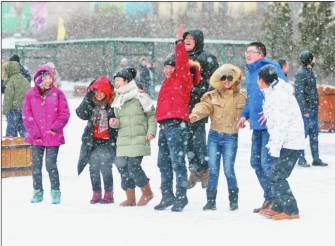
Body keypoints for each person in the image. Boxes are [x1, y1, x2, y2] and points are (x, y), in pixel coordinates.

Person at [237, 42, 289, 213]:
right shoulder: (251, 72)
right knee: (256, 163)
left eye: (252, 52)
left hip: (270, 125)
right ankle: (269, 198)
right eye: (247, 51)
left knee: (267, 163)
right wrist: (245, 115)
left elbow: (285, 91)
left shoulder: (270, 68)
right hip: (257, 126)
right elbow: (252, 98)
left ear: (261, 54)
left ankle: (277, 200)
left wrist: (271, 112)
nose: (248, 54)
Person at [154, 24, 201, 212]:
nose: (167, 70)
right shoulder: (166, 83)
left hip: (177, 126)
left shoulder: (183, 78)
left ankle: (181, 196)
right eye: (165, 67)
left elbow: (182, 63)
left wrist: (180, 42)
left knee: (177, 162)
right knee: (162, 163)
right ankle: (167, 195)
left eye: (170, 67)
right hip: (164, 127)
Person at [189, 64, 247, 211]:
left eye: (229, 78)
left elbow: (250, 113)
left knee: (228, 170)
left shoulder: (242, 98)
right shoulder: (212, 96)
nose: (226, 81)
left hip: (231, 137)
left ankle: (233, 201)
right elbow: (203, 107)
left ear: (235, 80)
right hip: (214, 136)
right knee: (213, 170)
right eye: (223, 78)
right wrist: (195, 115)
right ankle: (210, 201)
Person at [257, 65, 304, 220]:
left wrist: (275, 146)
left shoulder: (278, 97)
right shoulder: (274, 93)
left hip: (289, 143)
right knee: (274, 175)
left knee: (277, 176)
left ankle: (291, 211)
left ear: (261, 80)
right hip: (288, 141)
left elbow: (280, 125)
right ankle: (278, 208)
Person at [22, 65, 70, 204]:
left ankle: (55, 192)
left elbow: (65, 114)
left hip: (53, 136)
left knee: (51, 165)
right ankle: (37, 192)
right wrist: (34, 132)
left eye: (50, 77)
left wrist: (55, 128)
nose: (48, 81)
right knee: (36, 166)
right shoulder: (30, 94)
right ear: (38, 78)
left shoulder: (58, 94)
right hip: (36, 137)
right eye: (45, 78)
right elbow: (26, 114)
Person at [109, 67, 157, 207]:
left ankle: (147, 192)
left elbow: (151, 116)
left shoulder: (141, 97)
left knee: (133, 166)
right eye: (115, 81)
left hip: (139, 137)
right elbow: (118, 122)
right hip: (124, 139)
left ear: (127, 81)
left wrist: (151, 132)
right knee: (122, 166)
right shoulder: (118, 100)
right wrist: (114, 123)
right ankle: (130, 198)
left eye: (118, 80)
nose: (116, 83)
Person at [182, 29, 220, 189]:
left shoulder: (207, 58)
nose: (188, 41)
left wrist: (202, 94)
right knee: (186, 140)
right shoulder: (180, 57)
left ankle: (204, 170)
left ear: (198, 40)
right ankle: (194, 169)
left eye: (191, 38)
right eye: (186, 38)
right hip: (182, 104)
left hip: (199, 103)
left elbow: (215, 81)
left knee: (198, 138)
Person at [76, 76, 117, 204]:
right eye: (96, 91)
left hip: (106, 141)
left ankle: (109, 193)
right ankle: (96, 192)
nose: (98, 94)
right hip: (92, 140)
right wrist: (88, 97)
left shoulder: (112, 105)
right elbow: (81, 113)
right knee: (93, 168)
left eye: (101, 91)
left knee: (105, 167)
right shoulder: (91, 104)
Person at [294, 51, 328, 167]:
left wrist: (316, 104)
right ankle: (301, 158)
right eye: (313, 57)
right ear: (309, 59)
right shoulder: (301, 73)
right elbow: (299, 93)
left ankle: (316, 158)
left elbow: (312, 91)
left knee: (314, 134)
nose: (315, 59)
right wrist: (304, 110)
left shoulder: (309, 71)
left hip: (313, 108)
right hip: (307, 109)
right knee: (302, 134)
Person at [3, 61, 31, 137]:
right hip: (24, 109)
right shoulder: (25, 80)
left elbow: (8, 97)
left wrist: (5, 110)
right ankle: (26, 145)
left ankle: (11, 146)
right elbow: (30, 94)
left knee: (11, 131)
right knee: (23, 129)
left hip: (13, 109)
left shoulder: (11, 81)